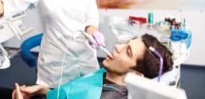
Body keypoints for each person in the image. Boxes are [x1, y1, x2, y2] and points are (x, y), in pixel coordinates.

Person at [11, 33, 174, 99]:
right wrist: (43, 90)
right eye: (125, 43)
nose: (118, 47)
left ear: (138, 75)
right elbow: (71, 94)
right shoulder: (107, 75)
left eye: (127, 51)